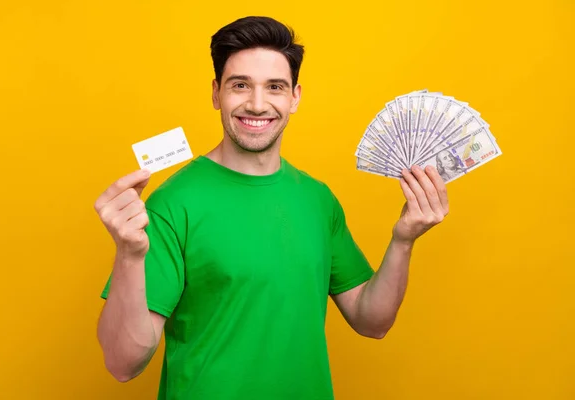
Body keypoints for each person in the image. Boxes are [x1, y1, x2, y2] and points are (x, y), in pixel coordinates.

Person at [94, 16, 450, 400]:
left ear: (295, 97)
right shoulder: (171, 203)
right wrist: (130, 256)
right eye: (240, 85)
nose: (257, 104)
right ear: (216, 94)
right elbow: (122, 363)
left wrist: (403, 239)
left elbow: (371, 320)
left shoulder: (317, 198)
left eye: (275, 87)